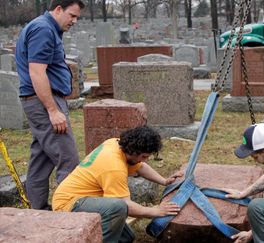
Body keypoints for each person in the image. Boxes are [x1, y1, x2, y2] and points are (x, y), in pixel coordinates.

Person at [53, 126, 182, 242]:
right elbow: (126, 206)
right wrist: (155, 211)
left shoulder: (116, 143)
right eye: (144, 156)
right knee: (118, 207)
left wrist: (164, 181)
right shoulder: (114, 167)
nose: (146, 160)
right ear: (133, 151)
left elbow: (140, 166)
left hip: (82, 197)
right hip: (68, 204)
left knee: (126, 238)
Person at [15, 0, 85, 210]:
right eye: (72, 15)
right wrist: (53, 110)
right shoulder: (43, 29)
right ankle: (67, 216)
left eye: (77, 17)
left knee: (41, 160)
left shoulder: (44, 27)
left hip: (40, 101)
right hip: (44, 102)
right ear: (57, 9)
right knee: (68, 160)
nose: (74, 21)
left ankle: (38, 214)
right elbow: (37, 71)